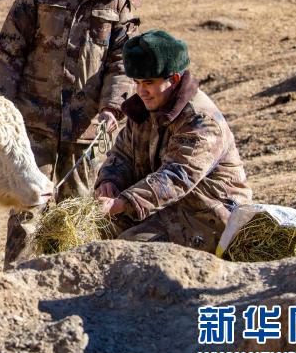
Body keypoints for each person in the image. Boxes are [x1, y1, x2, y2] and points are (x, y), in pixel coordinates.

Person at [0, 0, 141, 268]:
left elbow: (123, 62)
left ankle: (68, 276)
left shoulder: (119, 2)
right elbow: (9, 50)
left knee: (78, 210)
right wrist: (4, 107)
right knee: (29, 203)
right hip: (34, 119)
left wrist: (112, 108)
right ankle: (17, 275)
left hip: (88, 126)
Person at [95, 30, 252, 253]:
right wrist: (109, 181)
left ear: (174, 79)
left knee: (128, 249)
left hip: (207, 215)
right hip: (159, 207)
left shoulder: (201, 120)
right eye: (136, 82)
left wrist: (123, 203)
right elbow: (122, 155)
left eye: (148, 82)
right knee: (96, 233)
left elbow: (178, 176)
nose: (141, 92)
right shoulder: (143, 109)